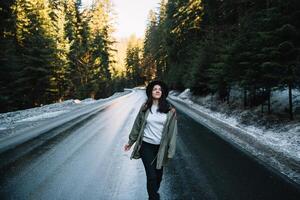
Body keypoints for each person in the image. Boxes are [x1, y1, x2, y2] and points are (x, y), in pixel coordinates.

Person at [124, 80, 178, 200]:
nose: (157, 90)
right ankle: (153, 198)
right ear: (151, 92)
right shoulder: (145, 108)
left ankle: (153, 194)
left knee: (158, 176)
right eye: (154, 89)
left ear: (162, 92)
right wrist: (130, 142)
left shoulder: (170, 111)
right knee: (151, 176)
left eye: (159, 89)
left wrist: (171, 150)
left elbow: (173, 133)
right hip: (146, 146)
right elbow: (137, 125)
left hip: (161, 148)